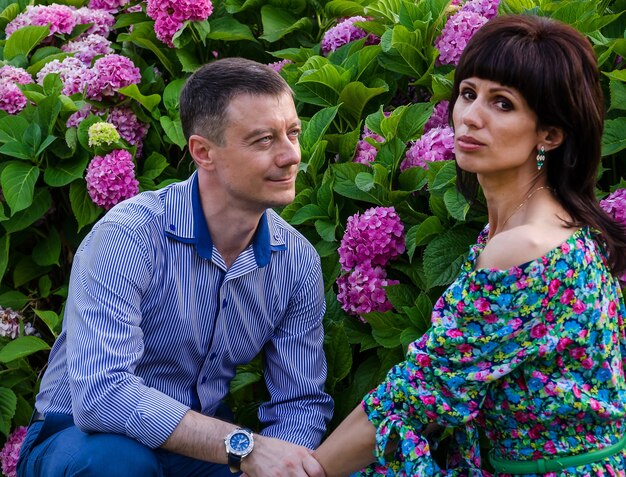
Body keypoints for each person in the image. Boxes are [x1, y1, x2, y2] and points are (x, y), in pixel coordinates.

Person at [312, 14, 626, 477]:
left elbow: (422, 391)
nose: (471, 116)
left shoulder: (525, 247)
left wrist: (311, 471)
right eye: (468, 93)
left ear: (550, 135)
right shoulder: (551, 225)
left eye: (503, 103)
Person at [17, 57, 332, 477]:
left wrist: (283, 465)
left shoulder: (296, 261)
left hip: (199, 450)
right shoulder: (129, 235)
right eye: (263, 140)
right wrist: (247, 448)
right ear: (203, 152)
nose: (290, 155)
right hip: (80, 439)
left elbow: (300, 402)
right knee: (118, 463)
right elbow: (101, 394)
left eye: (292, 133)